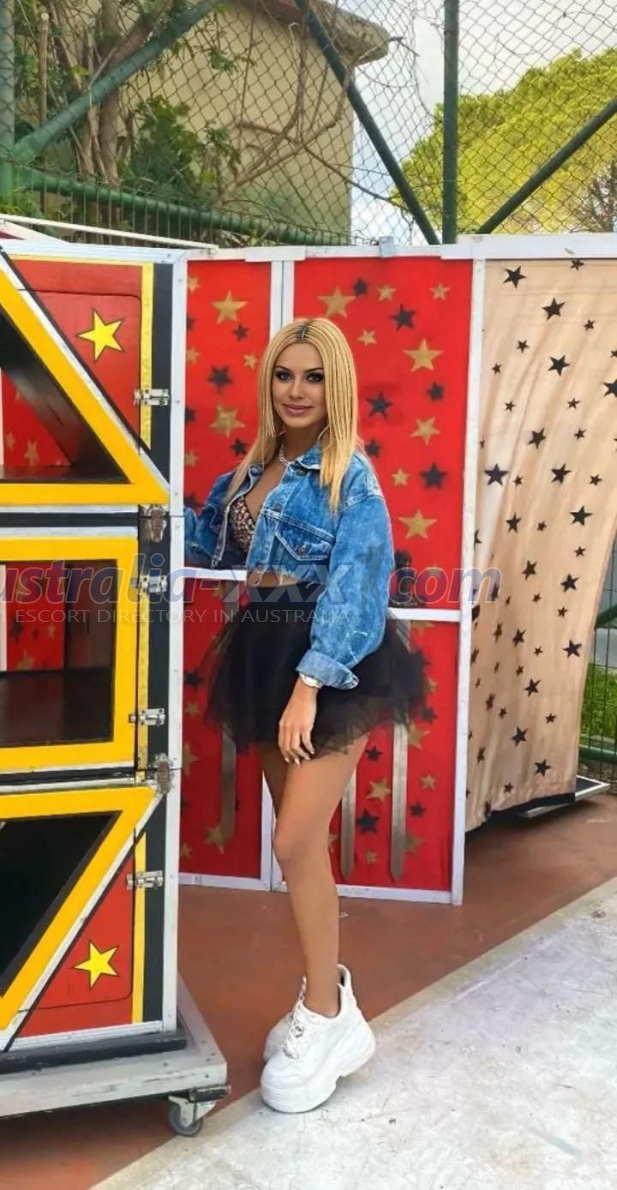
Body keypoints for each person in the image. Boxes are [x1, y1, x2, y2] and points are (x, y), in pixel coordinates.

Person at [183, 317, 425, 1114]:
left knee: (292, 839)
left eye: (313, 377)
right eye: (285, 375)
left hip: (331, 660)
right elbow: (206, 547)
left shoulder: (350, 476)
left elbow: (359, 584)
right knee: (300, 847)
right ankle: (330, 1004)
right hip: (260, 646)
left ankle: (323, 1013)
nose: (296, 390)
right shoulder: (252, 468)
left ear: (337, 387)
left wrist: (310, 684)